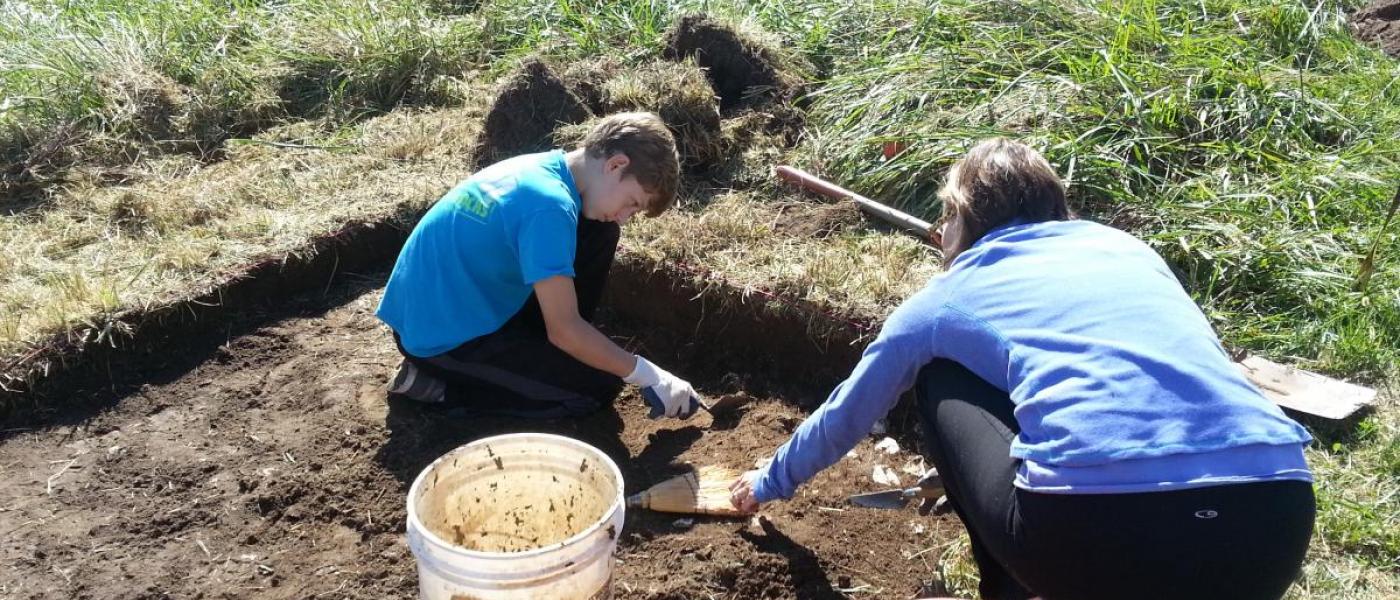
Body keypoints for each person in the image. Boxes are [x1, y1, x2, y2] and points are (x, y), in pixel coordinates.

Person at [729, 138, 1315, 600]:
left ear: (959, 217)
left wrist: (769, 481)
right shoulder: (1128, 250)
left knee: (938, 375)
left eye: (945, 220)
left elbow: (850, 411)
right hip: (1269, 532)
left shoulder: (946, 297)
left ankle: (1013, 588)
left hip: (1093, 540)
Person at [376, 112, 701, 420]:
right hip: (440, 337)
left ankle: (556, 353)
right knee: (594, 390)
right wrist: (648, 374)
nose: (624, 216)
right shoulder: (549, 208)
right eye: (632, 203)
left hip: (446, 302)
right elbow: (564, 330)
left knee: (601, 231)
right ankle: (440, 390)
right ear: (616, 165)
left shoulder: (547, 170)